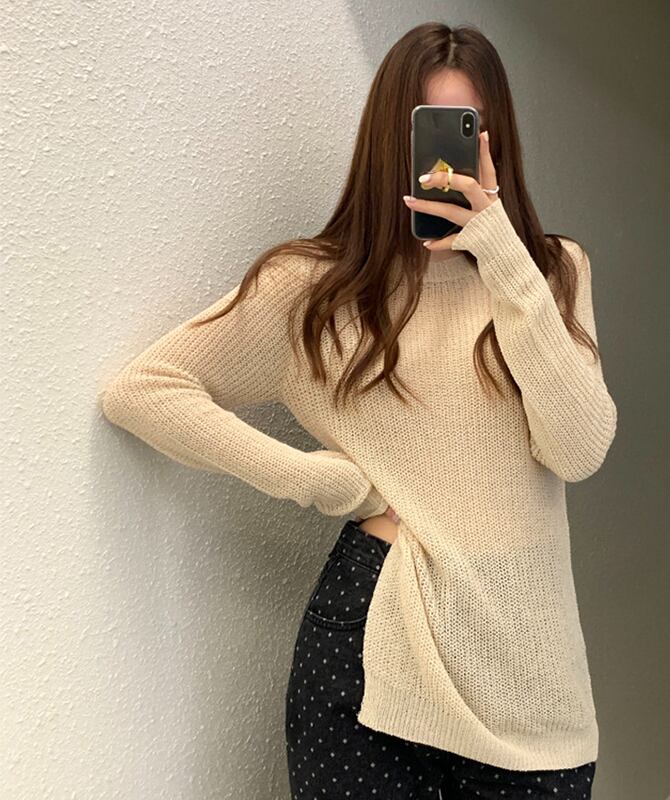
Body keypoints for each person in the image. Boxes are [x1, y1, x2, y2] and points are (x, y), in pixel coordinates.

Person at [101, 21, 615, 800]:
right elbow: (144, 389)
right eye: (425, 133)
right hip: (372, 645)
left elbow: (578, 449)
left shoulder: (551, 271)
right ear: (386, 143)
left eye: (467, 131)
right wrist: (323, 481)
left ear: (498, 143)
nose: (444, 165)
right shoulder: (315, 289)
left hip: (530, 671)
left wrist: (503, 255)